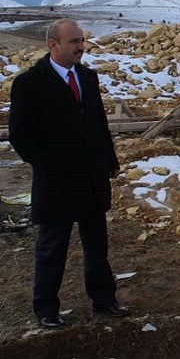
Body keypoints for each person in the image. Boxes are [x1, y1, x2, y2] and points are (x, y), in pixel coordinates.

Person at [8, 18, 129, 328]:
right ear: (53, 45)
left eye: (82, 40)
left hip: (91, 179)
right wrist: (49, 165)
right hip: (56, 183)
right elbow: (20, 136)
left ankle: (104, 299)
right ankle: (46, 308)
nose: (81, 46)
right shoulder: (29, 83)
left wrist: (110, 161)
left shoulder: (87, 78)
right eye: (74, 41)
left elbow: (99, 125)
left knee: (97, 247)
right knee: (52, 248)